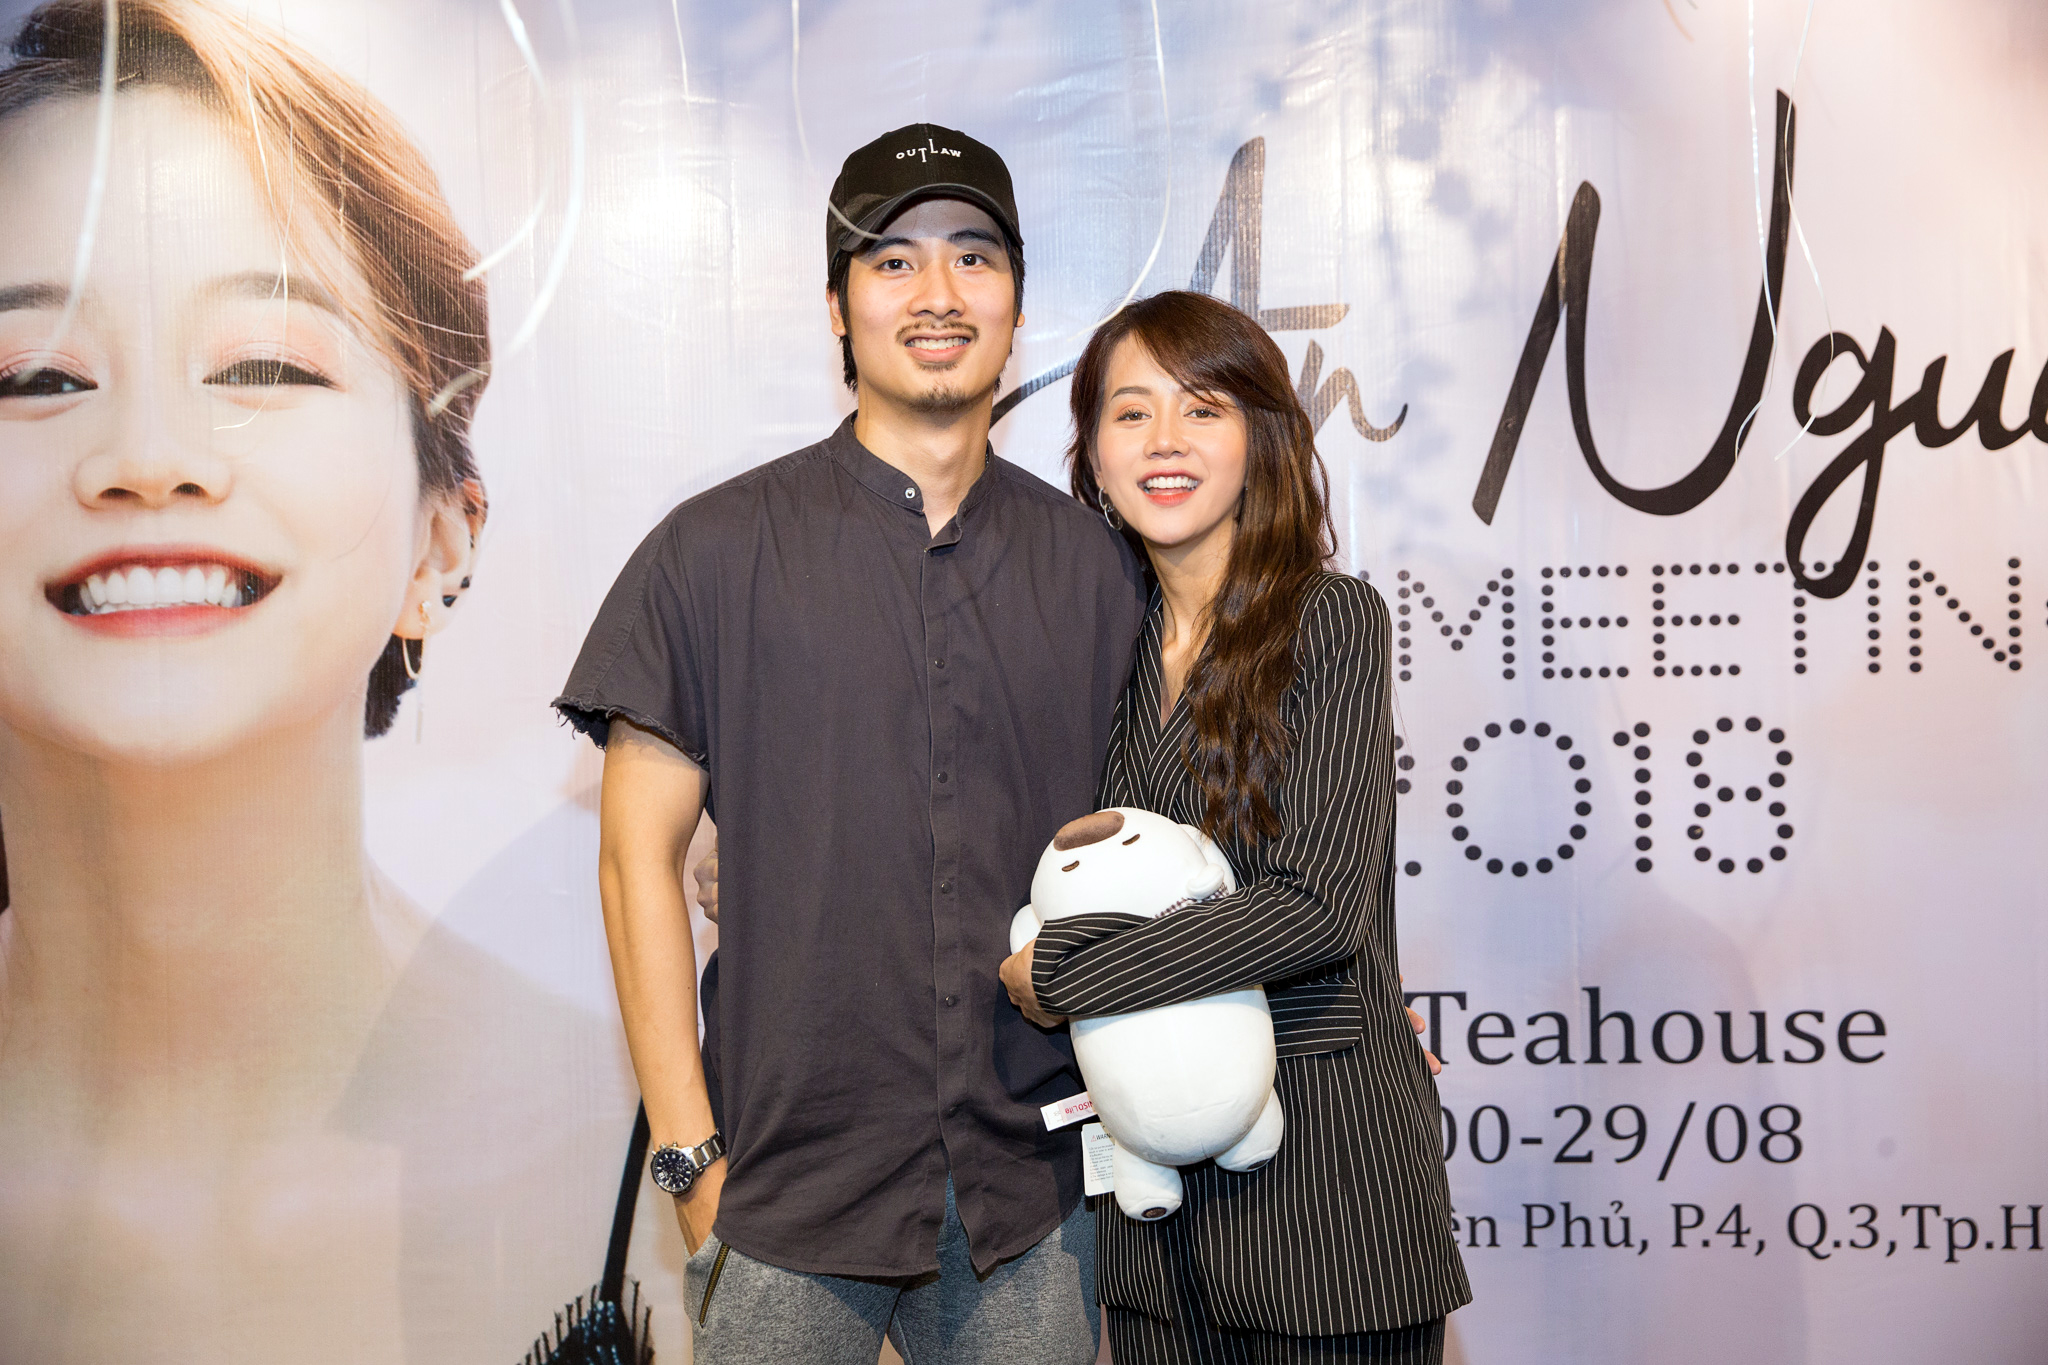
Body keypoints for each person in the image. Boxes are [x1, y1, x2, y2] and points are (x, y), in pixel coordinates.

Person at [0, 5, 626, 1362]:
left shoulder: (653, 1155)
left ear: (443, 537)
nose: (147, 458)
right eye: (37, 376)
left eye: (263, 366)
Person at [552, 124, 1144, 1364]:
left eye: (973, 257)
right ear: (836, 305)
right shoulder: (712, 552)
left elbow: (1154, 854)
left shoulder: (1095, 570)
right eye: (892, 261)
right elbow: (634, 863)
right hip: (782, 1192)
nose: (937, 294)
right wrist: (691, 1162)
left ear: (1016, 302)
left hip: (1031, 1197)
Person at [999, 289, 1472, 1364]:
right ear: (1093, 453)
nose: (1163, 440)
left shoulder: (1328, 619)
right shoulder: (1093, 650)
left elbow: (1316, 909)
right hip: (1151, 1224)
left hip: (1326, 1189)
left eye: (1201, 409)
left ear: (1259, 437)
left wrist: (1063, 974)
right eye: (1130, 412)